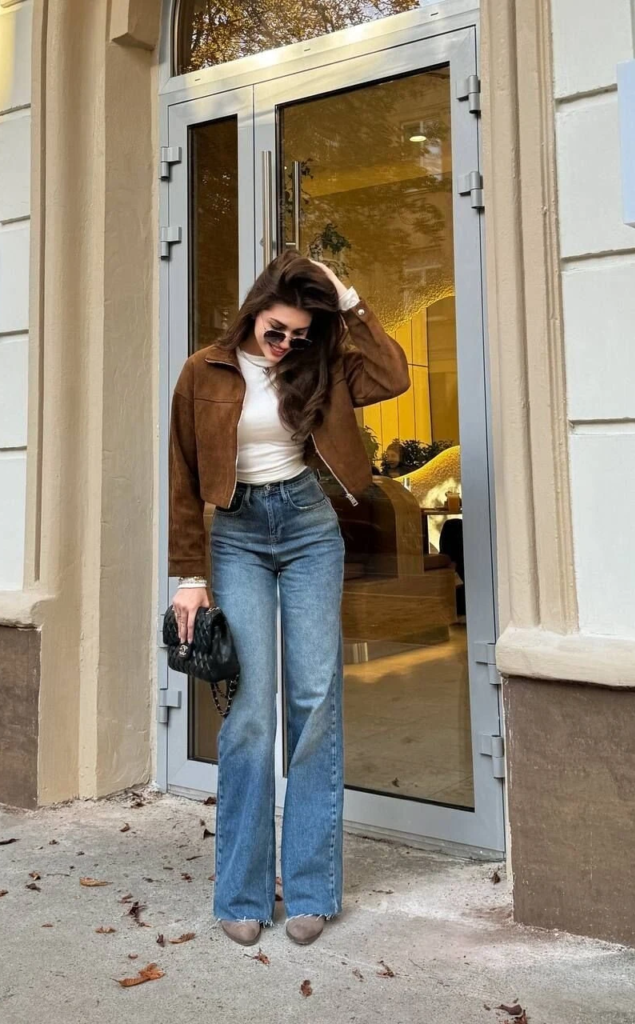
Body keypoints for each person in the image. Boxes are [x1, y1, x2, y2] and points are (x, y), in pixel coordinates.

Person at [168, 252, 410, 947]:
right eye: (276, 330)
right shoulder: (203, 370)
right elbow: (183, 474)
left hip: (307, 527)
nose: (284, 345)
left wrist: (348, 299)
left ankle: (310, 888)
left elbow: (392, 374)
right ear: (253, 313)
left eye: (299, 335)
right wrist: (188, 576)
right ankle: (241, 893)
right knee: (250, 712)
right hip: (237, 533)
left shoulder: (321, 365)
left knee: (315, 700)